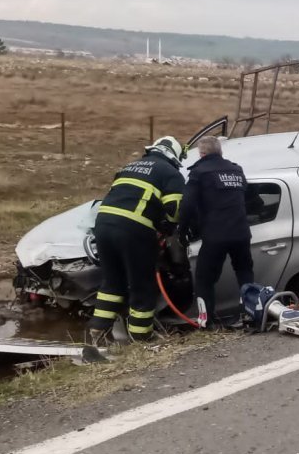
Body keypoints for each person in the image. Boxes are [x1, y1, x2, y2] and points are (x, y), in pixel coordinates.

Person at [87, 136, 186, 344]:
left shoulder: (130, 166)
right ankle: (141, 338)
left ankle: (97, 333)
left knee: (112, 283)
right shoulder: (170, 173)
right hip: (133, 229)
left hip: (103, 226)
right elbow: (176, 210)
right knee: (141, 284)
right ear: (174, 156)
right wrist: (168, 227)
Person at [177, 136, 263, 328]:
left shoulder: (199, 173)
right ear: (221, 152)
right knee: (244, 273)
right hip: (241, 233)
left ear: (202, 153)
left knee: (204, 278)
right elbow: (253, 200)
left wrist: (181, 232)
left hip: (215, 236)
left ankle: (206, 322)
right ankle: (250, 316)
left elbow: (187, 206)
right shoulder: (236, 170)